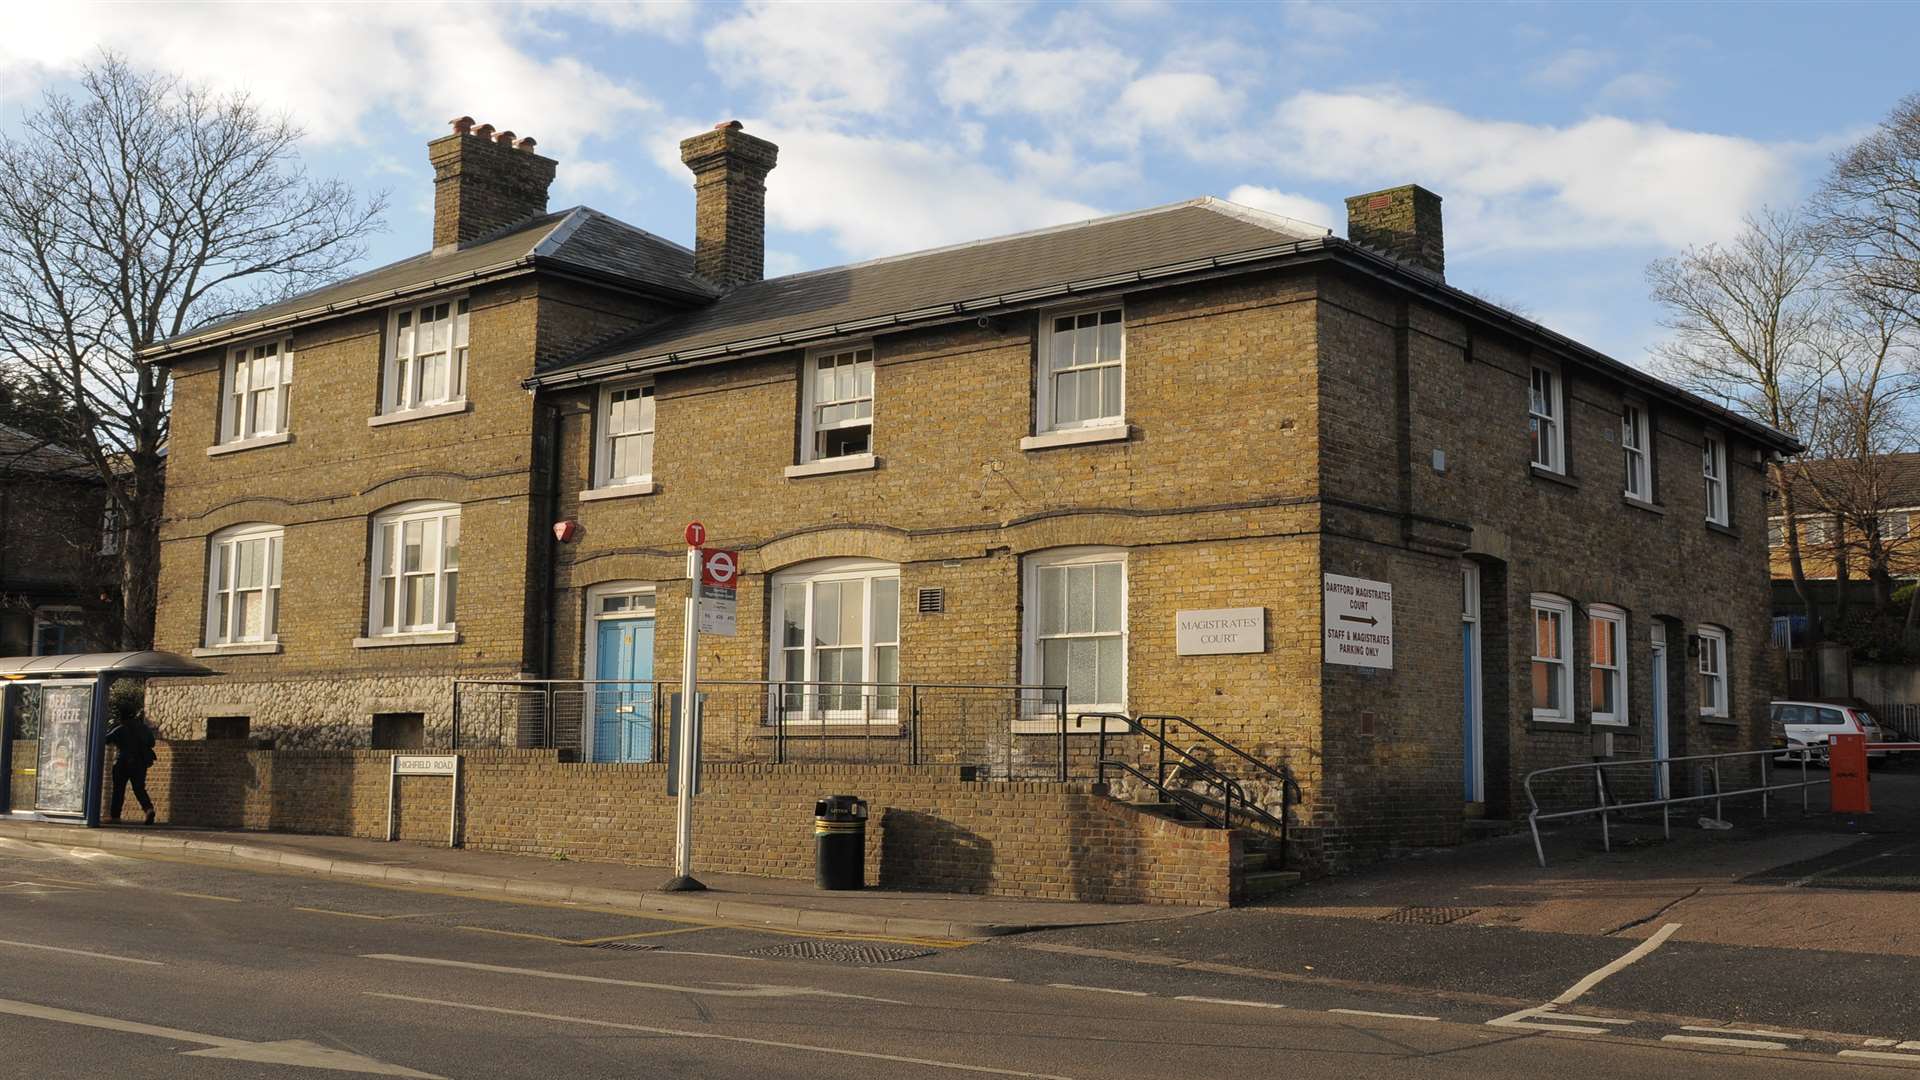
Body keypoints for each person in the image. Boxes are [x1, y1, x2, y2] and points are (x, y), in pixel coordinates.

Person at [104, 709, 157, 825]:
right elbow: (152, 743)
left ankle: (115, 817)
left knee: (118, 790)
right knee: (139, 789)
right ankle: (148, 809)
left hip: (122, 762)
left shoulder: (120, 728)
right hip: (140, 763)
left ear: (122, 718)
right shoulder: (144, 728)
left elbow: (106, 739)